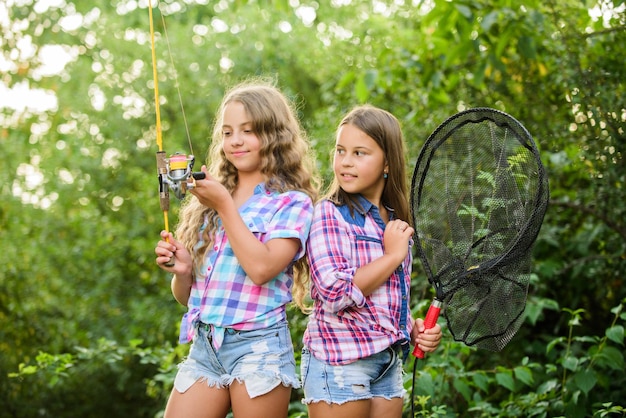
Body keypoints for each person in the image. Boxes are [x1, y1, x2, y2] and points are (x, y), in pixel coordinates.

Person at [154, 80, 319, 418]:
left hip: (258, 348)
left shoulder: (291, 202)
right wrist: (183, 272)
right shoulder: (209, 200)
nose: (236, 141)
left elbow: (262, 270)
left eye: (248, 130)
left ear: (274, 136)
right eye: (228, 132)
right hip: (205, 347)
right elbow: (191, 299)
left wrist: (225, 206)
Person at [301, 105, 443, 418]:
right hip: (340, 361)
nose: (345, 162)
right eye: (340, 151)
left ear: (387, 163)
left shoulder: (396, 223)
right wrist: (392, 255)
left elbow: (384, 299)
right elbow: (334, 294)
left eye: (359, 153)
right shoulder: (329, 213)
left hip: (388, 364)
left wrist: (412, 328)